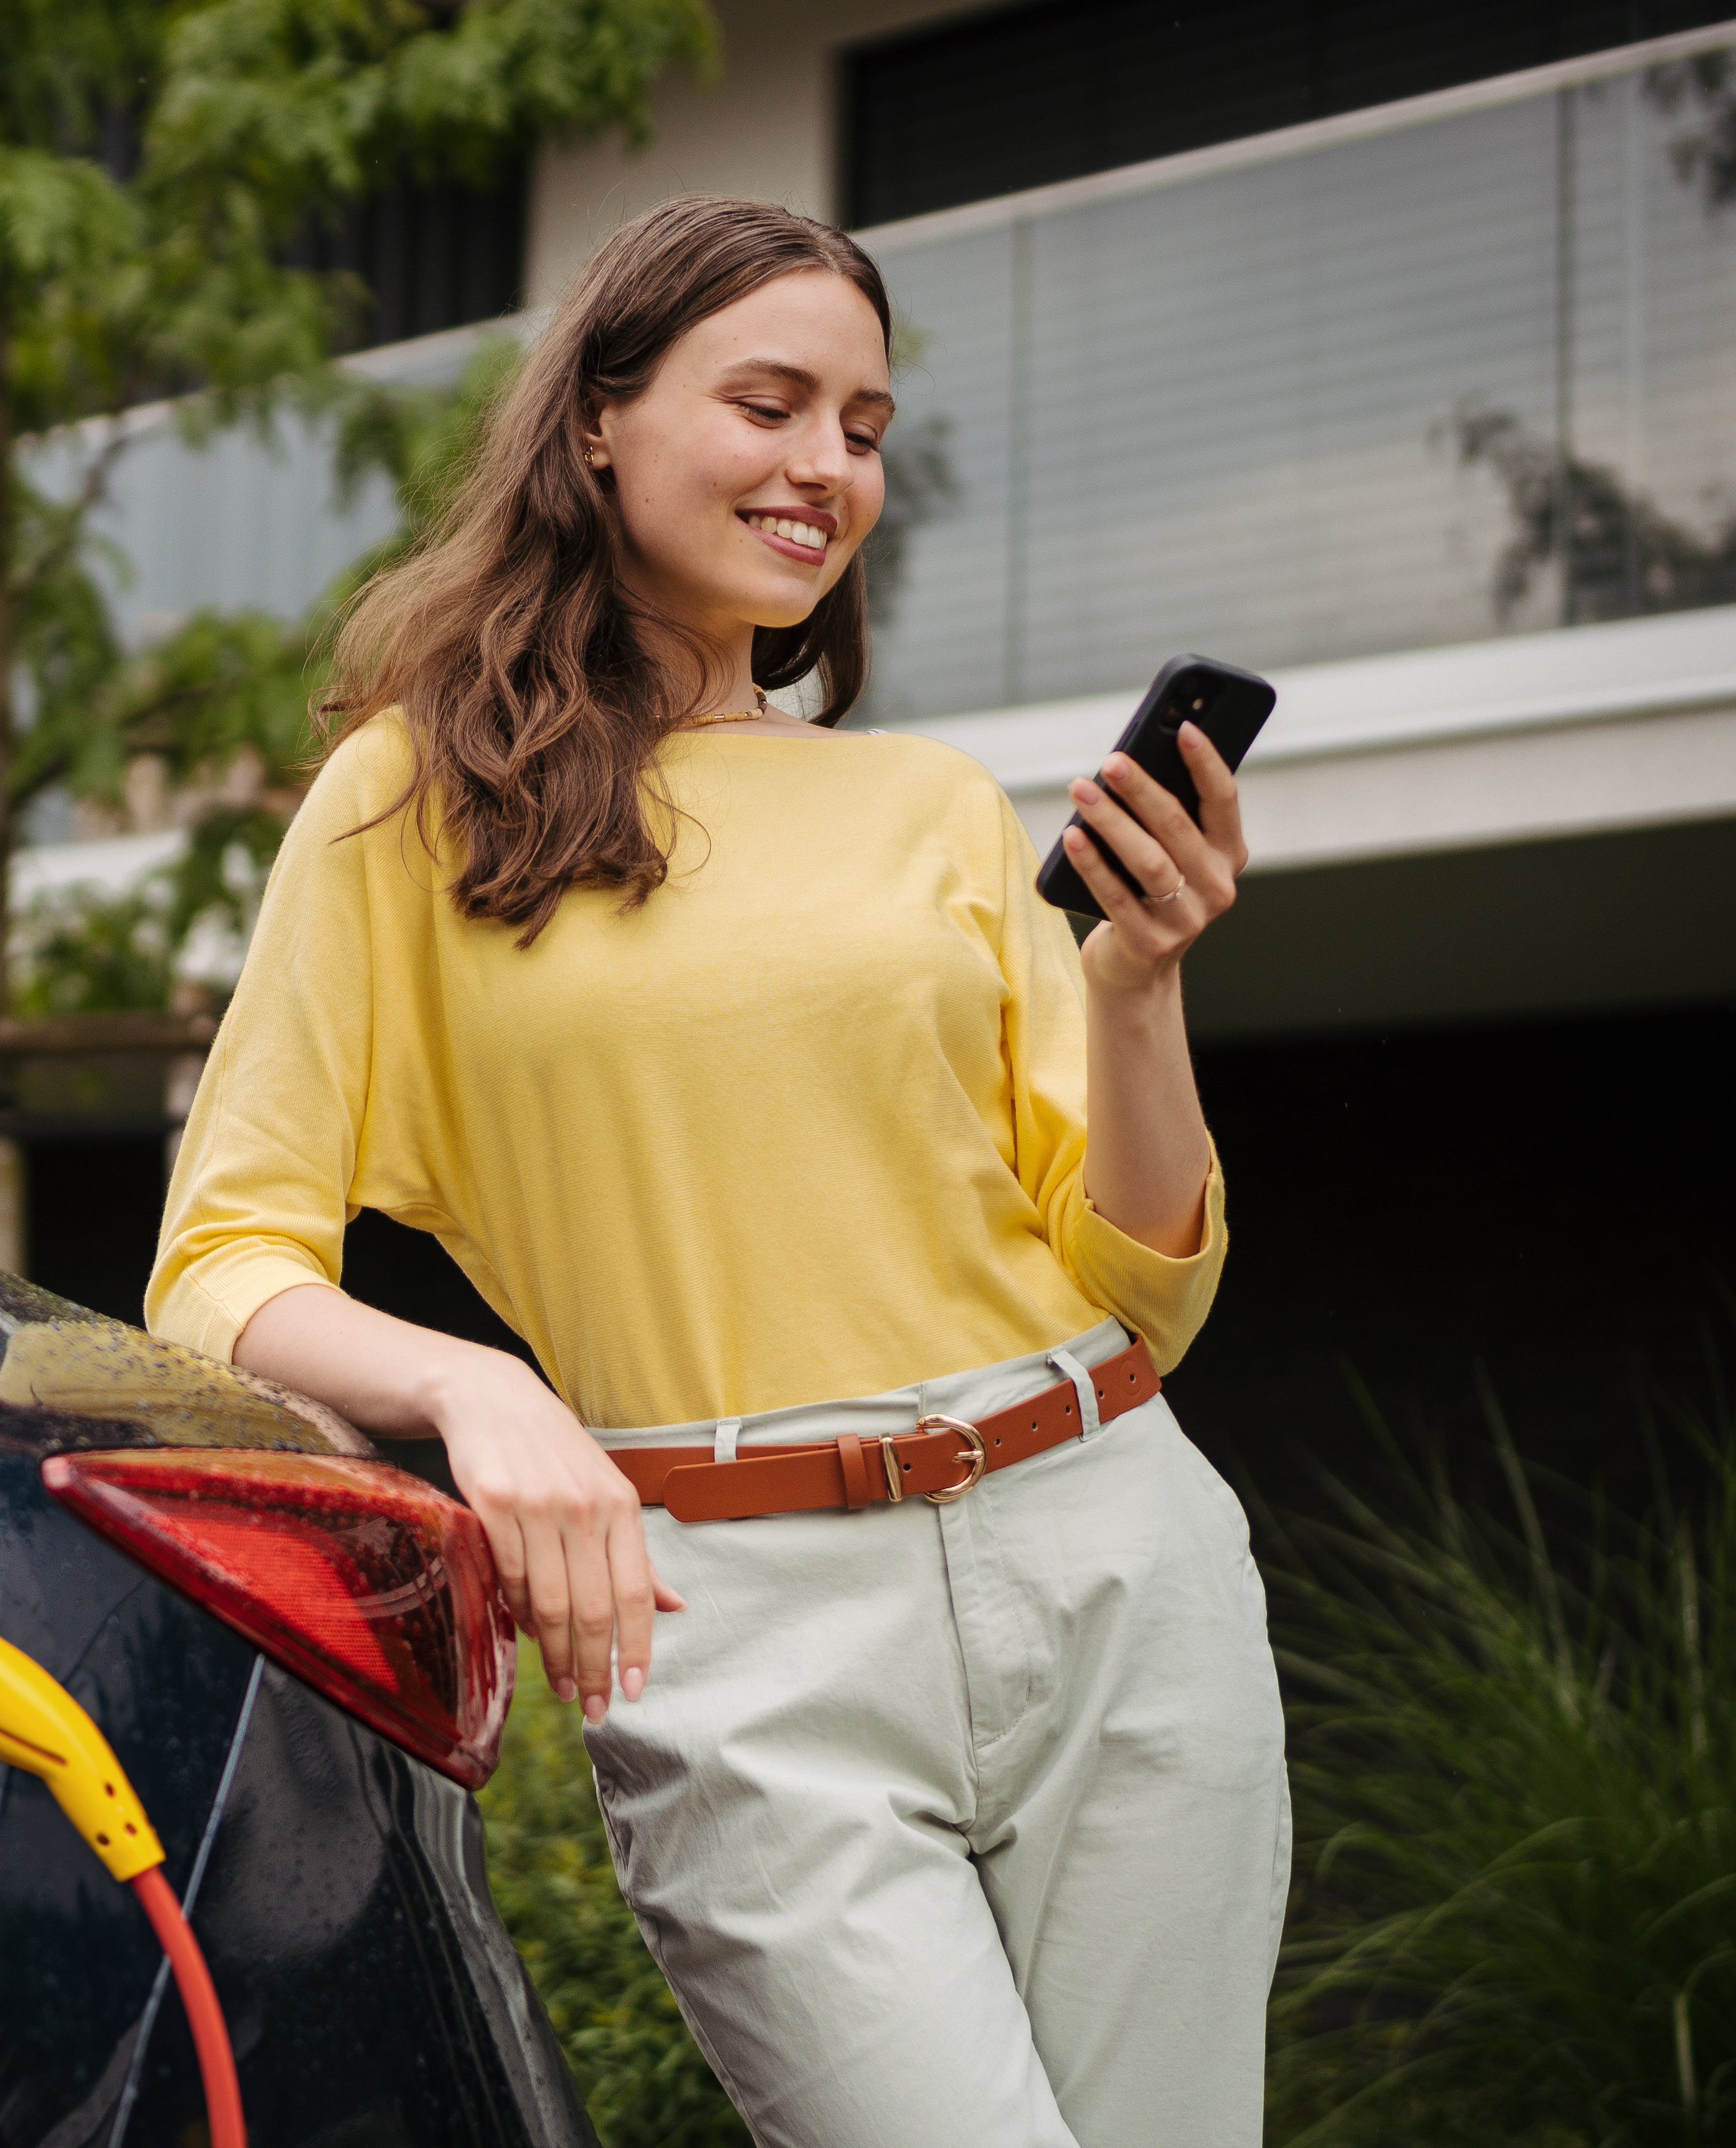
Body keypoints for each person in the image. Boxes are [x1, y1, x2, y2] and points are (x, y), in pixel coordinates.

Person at [145, 195, 1287, 2148]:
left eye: (861, 426)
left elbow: (1147, 1288)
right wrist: (479, 1390)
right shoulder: (410, 804)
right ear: (596, 419)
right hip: (742, 1634)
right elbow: (220, 1267)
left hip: (1112, 1551)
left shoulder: (920, 801)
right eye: (768, 403)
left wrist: (1136, 981)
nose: (823, 467)